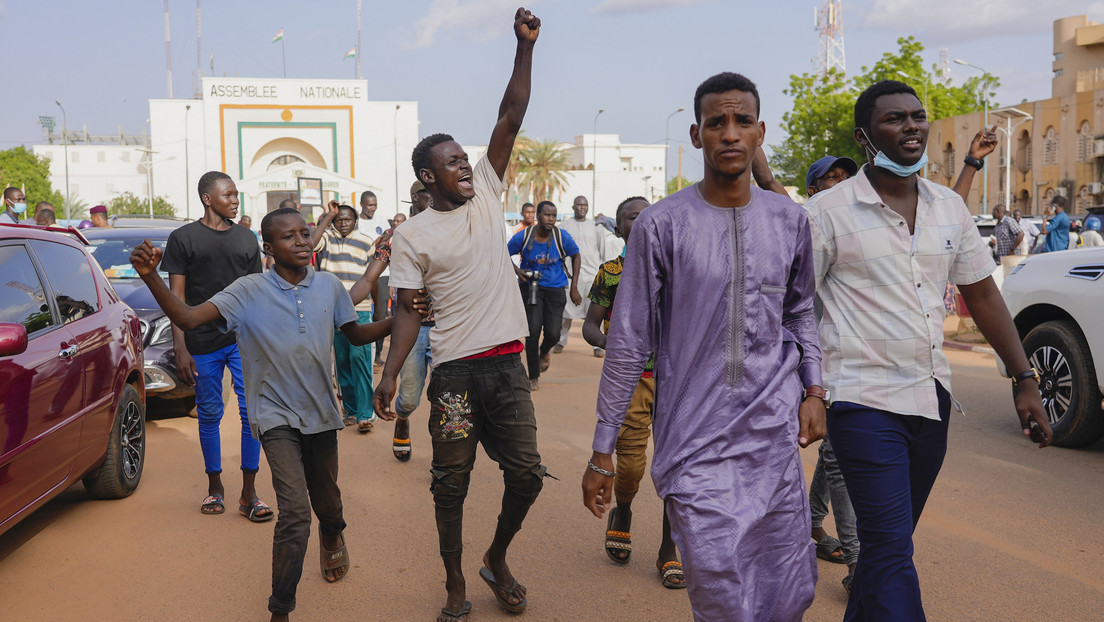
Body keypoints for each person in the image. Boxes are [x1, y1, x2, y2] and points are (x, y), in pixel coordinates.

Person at [582, 72, 826, 621]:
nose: (730, 133)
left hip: (772, 436)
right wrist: (602, 448)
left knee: (784, 587)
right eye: (717, 123)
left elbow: (800, 310)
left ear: (760, 132)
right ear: (697, 135)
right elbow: (628, 341)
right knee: (718, 588)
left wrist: (815, 389)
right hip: (695, 440)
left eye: (742, 122)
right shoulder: (660, 226)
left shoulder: (789, 220)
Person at [804, 79, 1051, 621]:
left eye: (917, 116)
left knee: (884, 553)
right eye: (894, 119)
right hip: (860, 400)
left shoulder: (948, 207)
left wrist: (1024, 378)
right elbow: (795, 309)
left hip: (930, 400)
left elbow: (982, 293)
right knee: (891, 553)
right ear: (865, 134)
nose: (911, 126)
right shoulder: (825, 212)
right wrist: (810, 389)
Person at [129, 207, 394, 622]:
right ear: (268, 249)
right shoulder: (247, 290)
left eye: (306, 234)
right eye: (290, 237)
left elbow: (356, 333)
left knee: (328, 502)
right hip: (273, 415)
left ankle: (333, 532)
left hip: (322, 413)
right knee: (294, 513)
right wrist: (150, 276)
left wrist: (396, 321)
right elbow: (188, 316)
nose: (303, 241)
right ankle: (280, 610)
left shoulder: (328, 286)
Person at [374, 9, 546, 621]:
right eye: (452, 162)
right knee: (451, 485)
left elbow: (510, 116)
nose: (465, 166)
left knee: (527, 475)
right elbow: (406, 310)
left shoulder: (489, 198)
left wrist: (523, 48)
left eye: (464, 159)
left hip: (506, 368)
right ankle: (454, 585)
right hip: (452, 377)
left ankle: (496, 558)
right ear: (429, 176)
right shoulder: (413, 237)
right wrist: (392, 372)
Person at [581, 195, 684, 589]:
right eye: (631, 217)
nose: (640, 222)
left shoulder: (679, 270)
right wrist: (617, 347)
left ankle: (668, 549)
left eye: (647, 216)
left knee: (677, 466)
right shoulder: (610, 273)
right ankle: (622, 509)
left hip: (679, 379)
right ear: (619, 227)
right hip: (633, 379)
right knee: (633, 465)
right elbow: (592, 325)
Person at [161, 171, 272, 522]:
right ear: (208, 199)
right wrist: (180, 347)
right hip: (202, 342)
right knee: (209, 413)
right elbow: (175, 298)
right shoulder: (183, 238)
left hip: (243, 339)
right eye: (228, 195)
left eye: (237, 195)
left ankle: (249, 492)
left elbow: (257, 293)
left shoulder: (246, 239)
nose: (235, 201)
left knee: (251, 414)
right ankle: (215, 487)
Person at [803, 155, 862, 592]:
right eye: (830, 178)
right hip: (809, 362)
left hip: (851, 361)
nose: (840, 184)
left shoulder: (860, 228)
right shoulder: (805, 225)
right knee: (838, 458)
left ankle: (809, 522)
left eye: (846, 177)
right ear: (811, 190)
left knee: (833, 455)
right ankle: (858, 561)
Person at [351, 180, 433, 462]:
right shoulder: (395, 235)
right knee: (409, 397)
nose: (436, 198)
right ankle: (403, 418)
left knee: (448, 395)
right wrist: (336, 308)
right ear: (414, 198)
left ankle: (446, 459)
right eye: (428, 193)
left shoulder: (452, 229)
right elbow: (367, 279)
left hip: (451, 326)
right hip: (412, 326)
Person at [311, 200, 379, 433]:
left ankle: (365, 413)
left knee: (359, 358)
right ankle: (349, 409)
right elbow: (310, 243)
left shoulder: (368, 242)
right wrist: (328, 216)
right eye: (339, 219)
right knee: (342, 361)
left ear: (355, 220)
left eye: (347, 219)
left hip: (359, 309)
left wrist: (379, 309)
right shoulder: (327, 238)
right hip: (332, 310)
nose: (343, 223)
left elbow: (374, 277)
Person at [508, 200, 581, 390]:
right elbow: (502, 253)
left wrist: (574, 287)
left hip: (555, 289)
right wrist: (517, 271)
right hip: (530, 288)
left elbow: (576, 255)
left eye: (554, 216)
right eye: (547, 215)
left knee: (553, 334)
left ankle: (544, 351)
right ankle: (533, 376)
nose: (551, 219)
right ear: (538, 216)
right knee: (532, 332)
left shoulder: (561, 236)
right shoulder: (524, 236)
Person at [556, 195, 606, 357]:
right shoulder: (564, 226)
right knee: (566, 312)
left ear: (588, 207)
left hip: (592, 276)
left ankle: (596, 345)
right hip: (570, 277)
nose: (582, 208)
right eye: (579, 205)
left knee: (594, 311)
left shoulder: (596, 228)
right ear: (573, 207)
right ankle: (560, 341)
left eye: (584, 205)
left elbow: (602, 252)